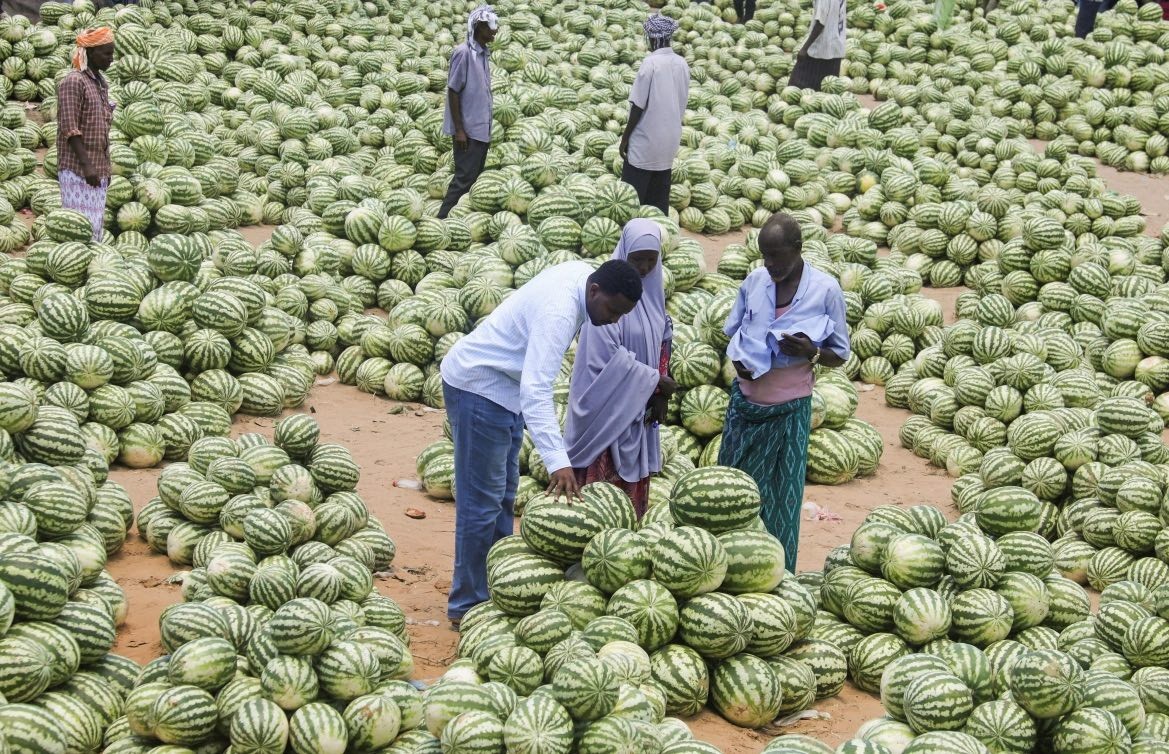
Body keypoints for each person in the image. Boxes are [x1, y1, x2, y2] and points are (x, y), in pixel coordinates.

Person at [440, 259, 643, 627]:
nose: (615, 320)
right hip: (479, 387)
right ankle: (466, 606)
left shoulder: (586, 279)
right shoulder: (559, 313)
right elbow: (536, 389)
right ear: (594, 292)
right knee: (480, 505)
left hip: (504, 391)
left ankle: (497, 586)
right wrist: (557, 461)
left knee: (502, 496)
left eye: (622, 315)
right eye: (613, 311)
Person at [718, 213, 850, 573]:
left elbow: (840, 354)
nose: (770, 264)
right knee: (730, 496)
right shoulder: (754, 282)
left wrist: (812, 353)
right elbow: (732, 333)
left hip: (790, 411)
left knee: (780, 502)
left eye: (777, 255)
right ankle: (726, 571)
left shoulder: (825, 290)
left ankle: (776, 575)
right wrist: (739, 361)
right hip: (744, 406)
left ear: (798, 249)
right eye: (765, 256)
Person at [564, 220, 676, 519]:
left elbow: (663, 343)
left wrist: (659, 391)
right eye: (637, 259)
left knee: (628, 510)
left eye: (651, 260)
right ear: (624, 253)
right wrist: (654, 380)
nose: (644, 267)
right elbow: (602, 362)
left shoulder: (654, 298)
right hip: (608, 412)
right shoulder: (605, 301)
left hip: (639, 411)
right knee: (599, 506)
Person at [619, 14, 690, 216]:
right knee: (659, 198)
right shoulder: (682, 64)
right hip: (670, 140)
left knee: (631, 200)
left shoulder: (650, 64)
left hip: (646, 140)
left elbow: (638, 106)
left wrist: (625, 138)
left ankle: (632, 235)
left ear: (653, 38)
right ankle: (657, 236)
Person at [438, 5, 498, 219]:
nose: (495, 31)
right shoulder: (463, 53)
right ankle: (442, 219)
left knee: (473, 179)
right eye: (491, 27)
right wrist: (460, 130)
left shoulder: (482, 54)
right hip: (468, 131)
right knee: (463, 178)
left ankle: (460, 219)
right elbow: (453, 91)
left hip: (481, 129)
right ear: (479, 27)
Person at [56, 27, 115, 241]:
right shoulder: (74, 81)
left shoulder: (100, 83)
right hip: (77, 169)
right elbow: (69, 127)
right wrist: (87, 165)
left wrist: (104, 170)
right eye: (106, 53)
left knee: (94, 229)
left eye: (112, 53)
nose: (111, 58)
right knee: (78, 230)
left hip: (97, 169)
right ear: (90, 53)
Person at [788, 0, 847, 92]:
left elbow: (820, 22)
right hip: (836, 47)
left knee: (795, 87)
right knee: (825, 93)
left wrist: (804, 48)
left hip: (820, 49)